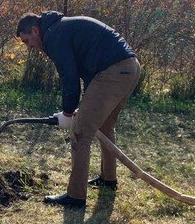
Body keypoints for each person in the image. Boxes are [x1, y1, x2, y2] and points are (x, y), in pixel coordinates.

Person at [16, 11, 140, 208]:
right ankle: (108, 180)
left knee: (80, 133)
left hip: (113, 72)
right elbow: (90, 67)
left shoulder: (54, 36)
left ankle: (75, 197)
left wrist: (67, 112)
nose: (29, 47)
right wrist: (80, 106)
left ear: (34, 30)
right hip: (129, 68)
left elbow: (70, 77)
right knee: (104, 127)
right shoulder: (61, 28)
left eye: (26, 41)